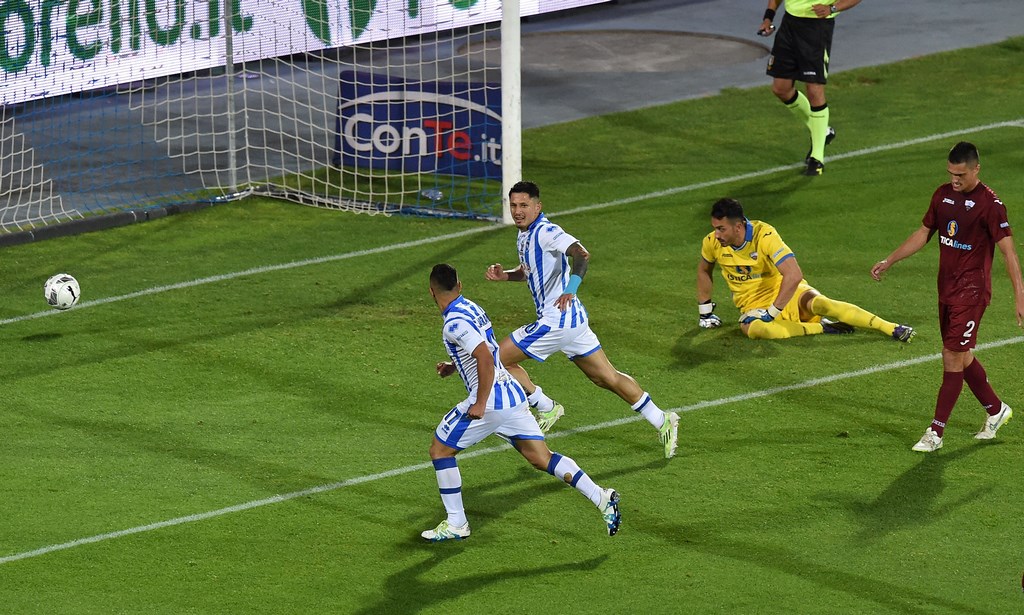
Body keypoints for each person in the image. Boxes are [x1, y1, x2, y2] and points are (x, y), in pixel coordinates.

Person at [422, 263, 621, 541]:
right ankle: (600, 496)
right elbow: (487, 348)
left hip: (491, 401)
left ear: (431, 292)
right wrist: (454, 364)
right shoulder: (471, 307)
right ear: (460, 287)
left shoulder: (454, 323)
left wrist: (479, 403)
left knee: (440, 451)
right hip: (513, 395)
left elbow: (482, 354)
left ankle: (457, 523)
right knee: (541, 458)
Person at [484, 181, 679, 459]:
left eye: (524, 205)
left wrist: (571, 288)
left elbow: (581, 254)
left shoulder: (547, 231)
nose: (517, 211)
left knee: (496, 358)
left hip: (557, 320)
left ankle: (545, 405)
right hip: (572, 321)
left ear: (537, 207)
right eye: (514, 205)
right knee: (605, 377)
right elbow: (531, 272)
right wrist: (507, 276)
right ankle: (662, 420)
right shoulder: (525, 235)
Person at [871, 142, 1024, 452]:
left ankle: (935, 432)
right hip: (946, 290)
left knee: (951, 355)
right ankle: (996, 410)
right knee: (962, 355)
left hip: (972, 292)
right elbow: (924, 232)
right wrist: (890, 259)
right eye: (951, 174)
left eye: (961, 175)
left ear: (976, 169)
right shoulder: (942, 195)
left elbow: (1009, 253)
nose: (955, 180)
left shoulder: (991, 205)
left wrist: (1020, 296)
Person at [697, 198, 916, 342]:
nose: (716, 234)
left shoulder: (764, 235)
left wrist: (772, 312)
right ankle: (822, 328)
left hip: (785, 295)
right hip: (752, 306)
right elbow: (704, 270)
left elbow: (794, 275)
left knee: (822, 303)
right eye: (715, 228)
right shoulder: (712, 243)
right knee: (756, 331)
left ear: (738, 226)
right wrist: (705, 313)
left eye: (721, 229)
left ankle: (891, 328)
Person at [758, 0, 862, 176]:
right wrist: (768, 17)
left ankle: (817, 158)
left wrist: (832, 8)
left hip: (817, 28)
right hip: (789, 25)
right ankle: (824, 131)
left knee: (814, 90)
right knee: (781, 89)